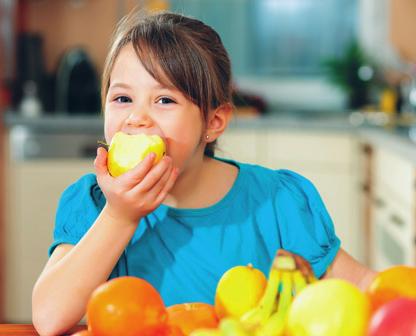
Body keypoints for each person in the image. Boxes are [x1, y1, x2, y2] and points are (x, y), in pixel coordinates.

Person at [32, 11, 376, 335]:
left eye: (164, 100)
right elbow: (48, 318)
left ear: (213, 122)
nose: (137, 118)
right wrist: (120, 216)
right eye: (122, 98)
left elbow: (368, 290)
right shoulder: (94, 204)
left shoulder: (278, 202)